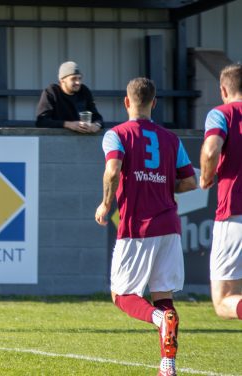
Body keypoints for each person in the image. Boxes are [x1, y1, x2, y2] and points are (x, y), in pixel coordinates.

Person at [94, 78, 197, 376]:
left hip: (137, 228)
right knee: (164, 297)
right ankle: (168, 365)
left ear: (126, 102)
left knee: (121, 295)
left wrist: (105, 204)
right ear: (154, 103)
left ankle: (156, 319)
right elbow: (189, 181)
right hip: (169, 225)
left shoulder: (116, 135)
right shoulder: (170, 139)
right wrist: (162, 185)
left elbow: (112, 170)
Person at [199, 63, 242, 321]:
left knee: (224, 300)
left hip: (235, 213)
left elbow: (211, 149)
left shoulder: (221, 113)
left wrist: (206, 177)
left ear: (223, 90)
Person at [36, 61, 103, 133]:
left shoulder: (84, 91)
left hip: (83, 139)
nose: (78, 82)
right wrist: (67, 124)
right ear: (62, 80)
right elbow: (41, 121)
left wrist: (96, 125)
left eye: (79, 78)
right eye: (73, 79)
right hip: (57, 139)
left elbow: (97, 117)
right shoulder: (51, 92)